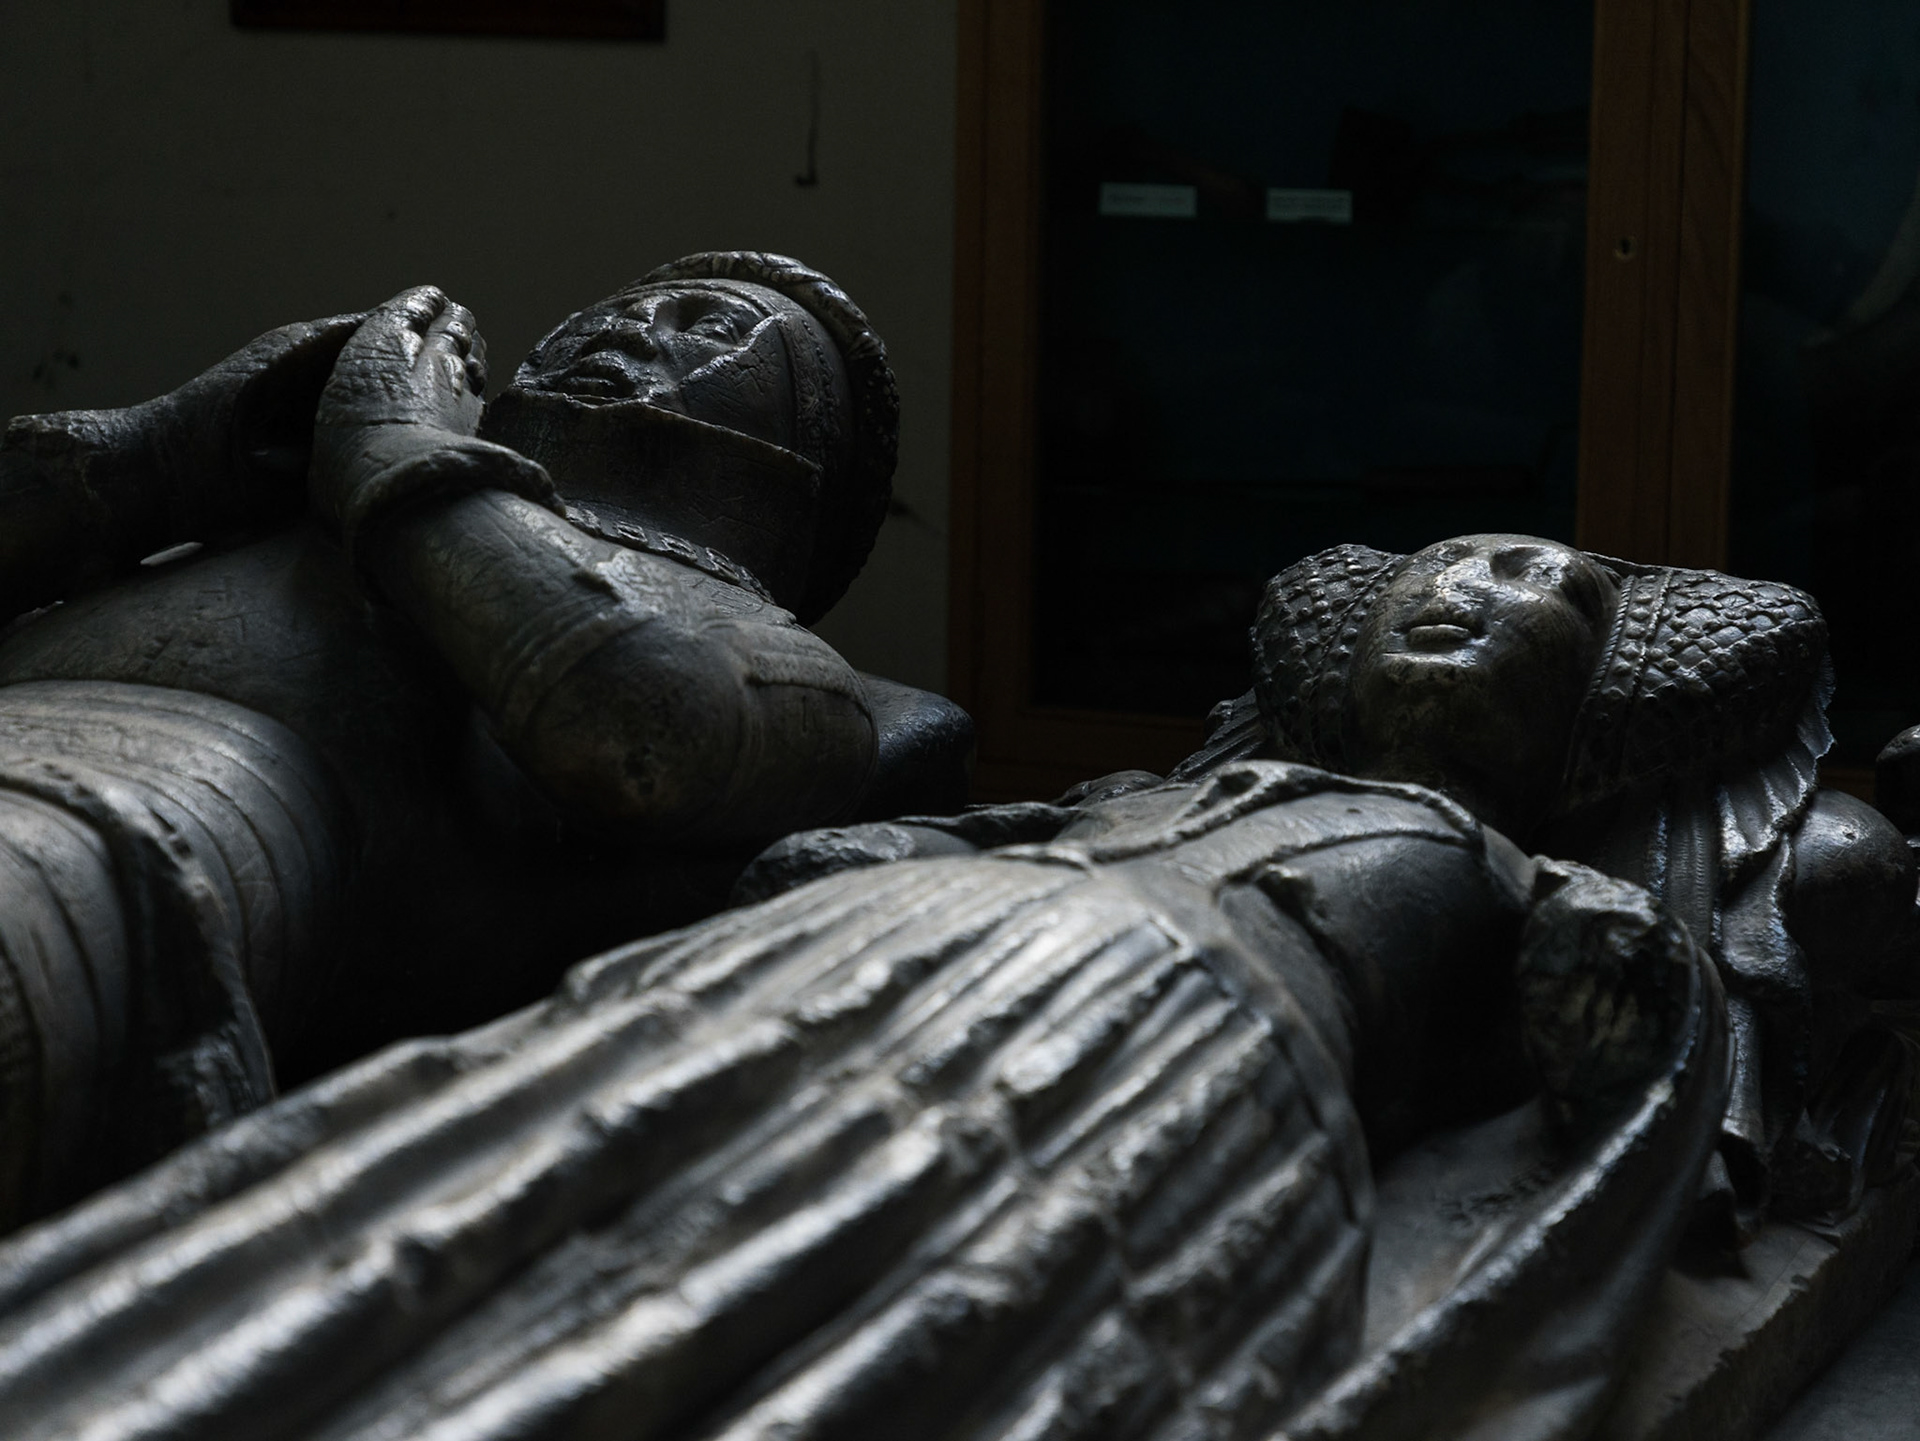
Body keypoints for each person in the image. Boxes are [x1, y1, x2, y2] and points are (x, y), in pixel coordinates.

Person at [0, 757, 1726, 1441]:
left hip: (1160, 1047)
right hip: (880, 948)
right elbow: (846, 846)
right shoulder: (1172, 774)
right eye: (1435, 567)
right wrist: (895, 847)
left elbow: (1617, 1056)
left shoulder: (1522, 866)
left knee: (885, 1280)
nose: (1459, 592)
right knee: (511, 1167)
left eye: (1531, 581)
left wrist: (1615, 958)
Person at [0, 253, 970, 1228]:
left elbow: (646, 731)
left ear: (798, 471)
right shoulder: (299, 493)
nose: (629, 326)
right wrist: (162, 455)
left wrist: (395, 455)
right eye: (616, 306)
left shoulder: (782, 657)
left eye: (708, 328)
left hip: (143, 815)